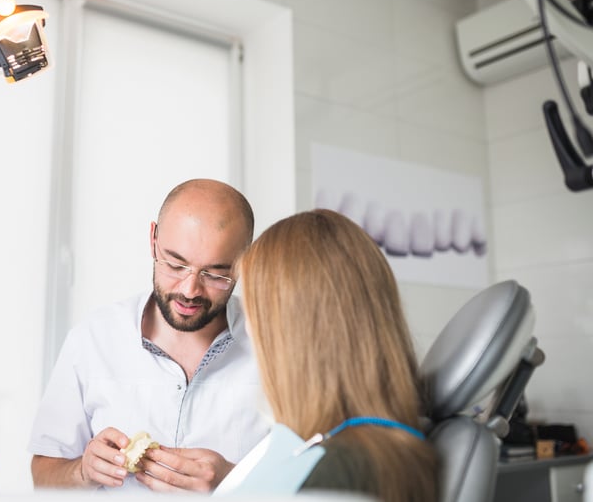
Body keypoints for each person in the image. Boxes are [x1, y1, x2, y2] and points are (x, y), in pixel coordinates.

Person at [28, 178, 270, 492]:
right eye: (175, 263)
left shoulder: (279, 347)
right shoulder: (93, 339)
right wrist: (82, 472)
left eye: (215, 273)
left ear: (244, 263)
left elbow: (322, 482)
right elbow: (43, 476)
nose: (189, 290)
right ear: (153, 239)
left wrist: (236, 482)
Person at [216, 209, 438, 502]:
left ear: (292, 332)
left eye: (253, 313)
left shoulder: (339, 472)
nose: (248, 328)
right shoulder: (355, 446)